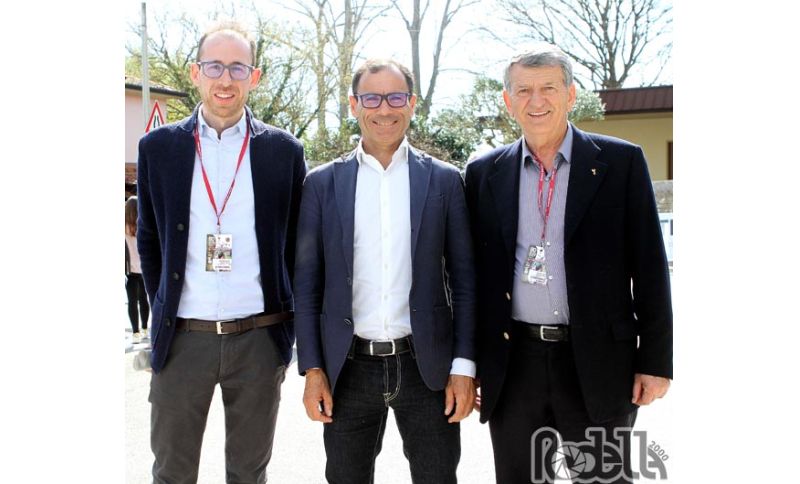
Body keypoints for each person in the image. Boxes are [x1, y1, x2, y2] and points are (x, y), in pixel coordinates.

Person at [464, 45, 673, 484]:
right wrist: (471, 363)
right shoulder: (483, 172)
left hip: (597, 361)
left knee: (600, 477)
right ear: (508, 100)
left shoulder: (620, 162)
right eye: (523, 90)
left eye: (548, 88)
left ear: (571, 94)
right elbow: (472, 277)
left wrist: (655, 361)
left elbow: (650, 269)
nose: (536, 101)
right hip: (514, 362)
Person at [136, 20, 306, 484]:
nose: (225, 79)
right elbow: (149, 240)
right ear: (196, 73)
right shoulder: (158, 148)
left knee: (249, 474)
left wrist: (286, 333)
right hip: (182, 338)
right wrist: (163, 308)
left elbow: (297, 245)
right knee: (171, 473)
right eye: (214, 66)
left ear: (255, 76)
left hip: (258, 338)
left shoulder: (284, 151)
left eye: (237, 67)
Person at [294, 58, 477, 484]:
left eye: (396, 97)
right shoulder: (321, 184)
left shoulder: (445, 181)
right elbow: (307, 284)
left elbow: (466, 281)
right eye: (372, 98)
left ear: (411, 103)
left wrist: (464, 367)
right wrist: (313, 368)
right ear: (354, 104)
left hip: (427, 367)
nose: (384, 109)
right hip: (348, 368)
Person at [125, 196, 149, 343]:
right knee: (144, 299)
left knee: (132, 302)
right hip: (145, 269)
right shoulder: (143, 226)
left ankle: (135, 333)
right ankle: (145, 329)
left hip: (130, 271)